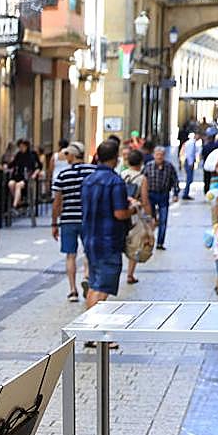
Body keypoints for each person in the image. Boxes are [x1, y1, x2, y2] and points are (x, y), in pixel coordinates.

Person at [80, 139, 139, 324]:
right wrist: (133, 209)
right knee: (102, 287)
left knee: (94, 284)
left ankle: (90, 329)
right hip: (109, 240)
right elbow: (120, 213)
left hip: (90, 238)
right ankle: (94, 330)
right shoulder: (115, 181)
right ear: (115, 158)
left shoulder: (88, 180)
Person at [51, 142, 96, 303]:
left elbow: (57, 202)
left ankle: (72, 290)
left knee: (70, 255)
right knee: (89, 251)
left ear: (73, 155)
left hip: (68, 219)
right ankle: (87, 277)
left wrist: (54, 223)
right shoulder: (92, 171)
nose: (66, 157)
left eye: (67, 154)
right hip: (88, 218)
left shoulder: (63, 175)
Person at [121, 149, 153, 285]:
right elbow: (145, 200)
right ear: (141, 163)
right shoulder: (142, 178)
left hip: (122, 210)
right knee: (135, 242)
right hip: (134, 214)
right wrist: (150, 217)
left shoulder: (121, 174)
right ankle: (130, 274)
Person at [143, 146, 179, 250]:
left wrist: (176, 193)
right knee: (150, 219)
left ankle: (160, 243)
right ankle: (149, 240)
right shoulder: (148, 166)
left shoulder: (169, 166)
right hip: (151, 195)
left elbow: (175, 180)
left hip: (163, 195)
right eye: (157, 155)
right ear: (154, 155)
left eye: (161, 155)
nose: (159, 157)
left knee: (163, 219)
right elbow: (143, 180)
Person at [7, 139, 42, 208]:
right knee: (10, 184)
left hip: (27, 177)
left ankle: (15, 205)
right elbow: (12, 164)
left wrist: (34, 174)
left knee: (18, 185)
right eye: (20, 147)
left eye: (22, 146)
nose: (21, 148)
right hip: (17, 176)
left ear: (26, 146)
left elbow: (39, 166)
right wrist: (8, 164)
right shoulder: (18, 155)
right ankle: (18, 202)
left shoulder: (32, 154)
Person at [179, 132, 200, 199]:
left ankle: (186, 193)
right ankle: (185, 194)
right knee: (189, 179)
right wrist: (191, 163)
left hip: (188, 162)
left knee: (189, 179)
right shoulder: (191, 143)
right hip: (188, 162)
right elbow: (190, 154)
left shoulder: (190, 142)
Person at [201, 127, 218, 194]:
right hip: (214, 166)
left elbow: (202, 155)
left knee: (206, 179)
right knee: (214, 179)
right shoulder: (217, 145)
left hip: (206, 166)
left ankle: (206, 192)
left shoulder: (205, 146)